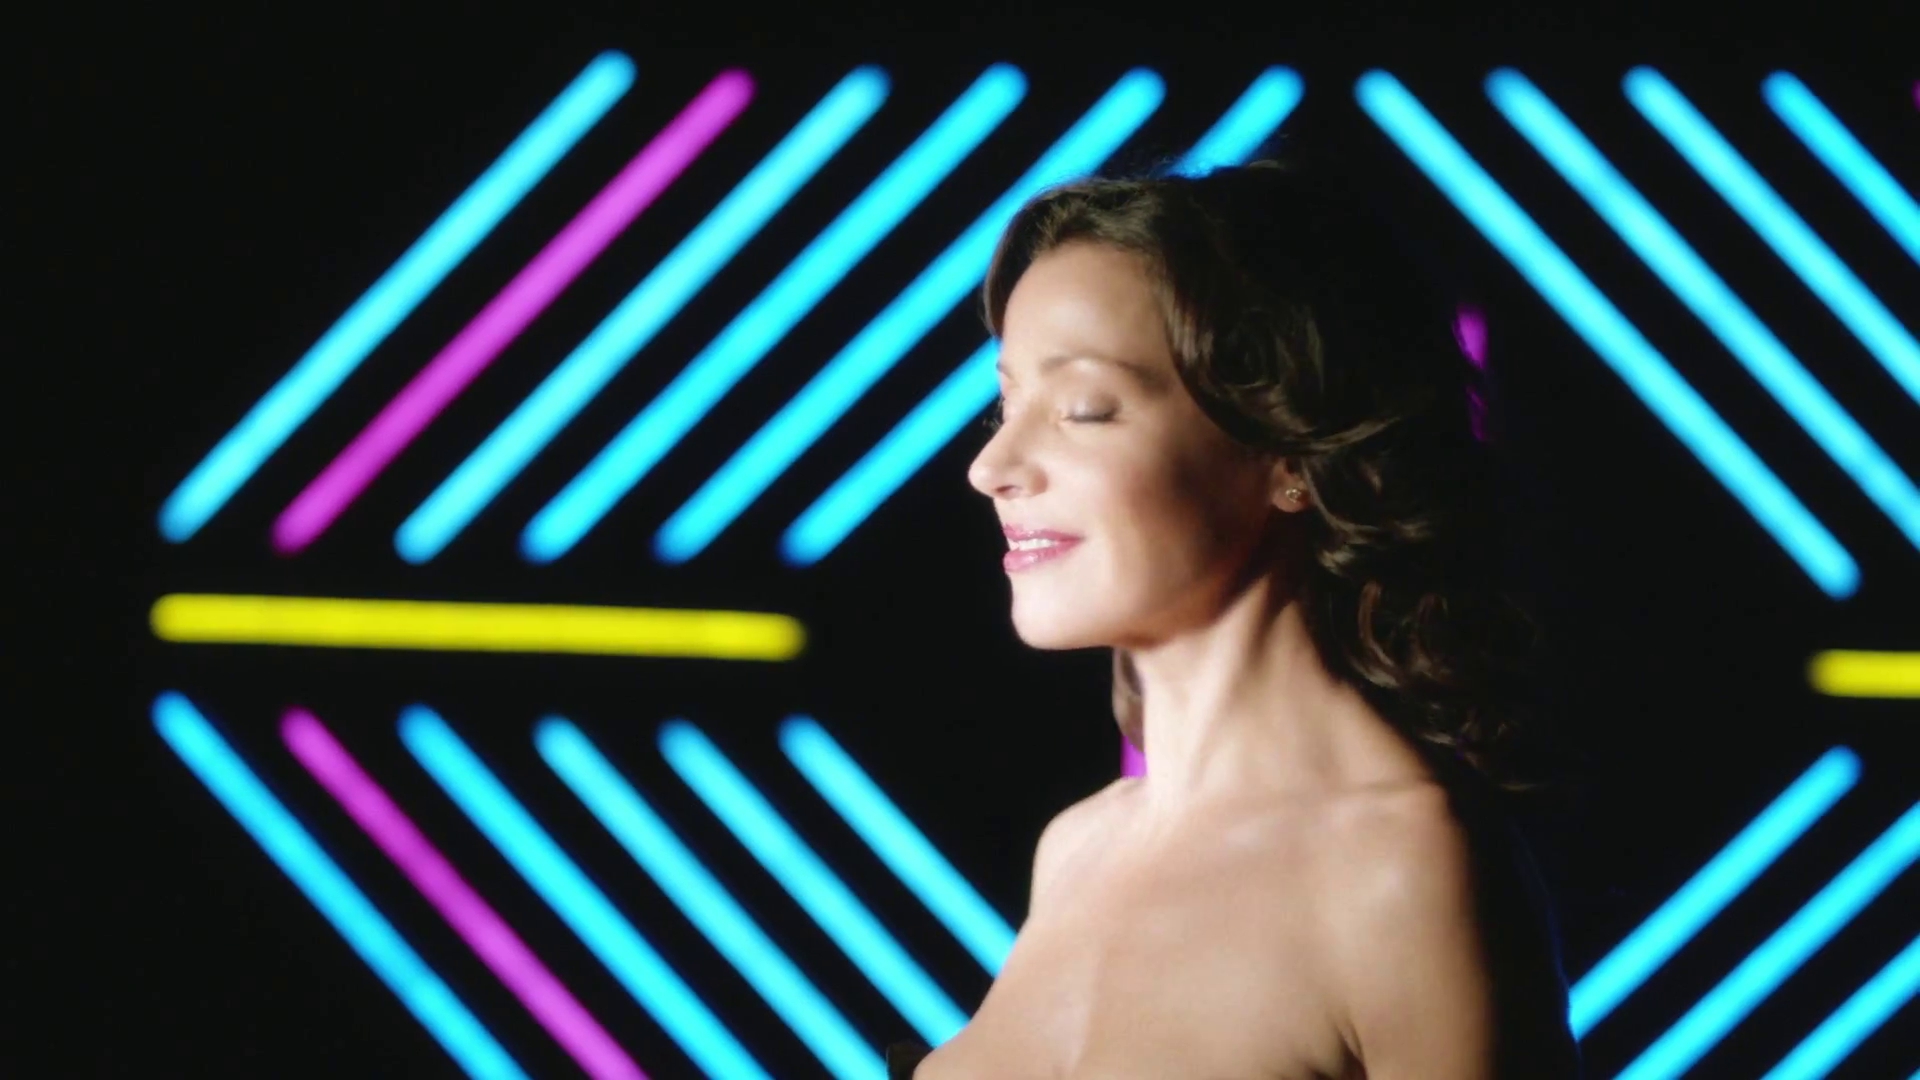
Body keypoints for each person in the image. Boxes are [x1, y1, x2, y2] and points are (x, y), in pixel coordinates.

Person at [887, 154, 1583, 1077]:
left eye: (1084, 408)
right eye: (1005, 405)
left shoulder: (1403, 865)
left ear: (1289, 454)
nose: (992, 467)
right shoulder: (1078, 849)